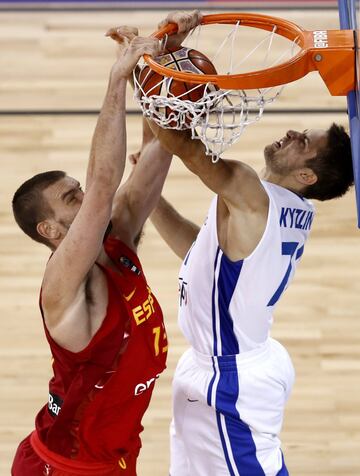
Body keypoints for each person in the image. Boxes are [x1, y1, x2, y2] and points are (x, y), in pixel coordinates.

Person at [125, 10, 354, 476]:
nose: (292, 133)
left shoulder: (250, 190)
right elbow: (202, 253)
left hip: (228, 381)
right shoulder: (278, 210)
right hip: (227, 368)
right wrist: (154, 203)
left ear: (306, 176)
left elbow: (185, 146)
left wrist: (146, 67)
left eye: (303, 143)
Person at [11, 28, 172, 476]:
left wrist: (160, 64)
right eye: (70, 199)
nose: (83, 199)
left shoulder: (115, 238)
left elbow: (158, 151)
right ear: (50, 230)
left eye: (77, 191)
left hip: (114, 455)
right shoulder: (61, 285)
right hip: (66, 465)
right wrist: (116, 80)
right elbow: (103, 188)